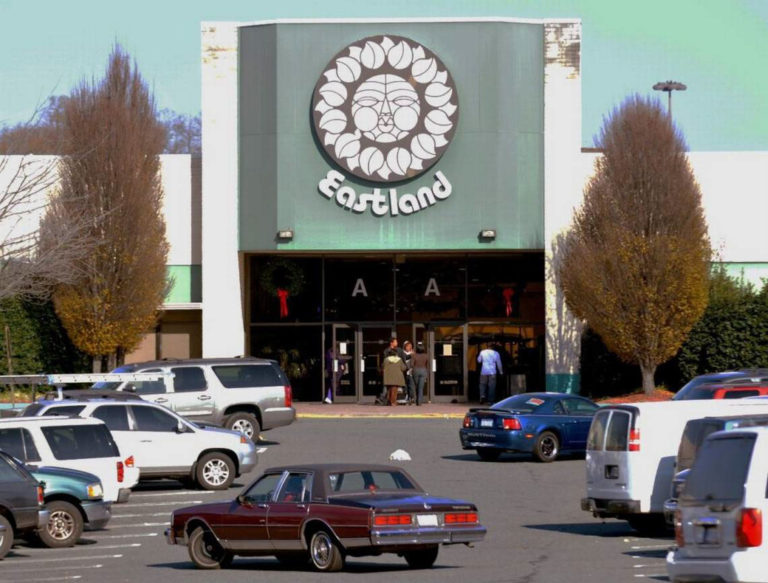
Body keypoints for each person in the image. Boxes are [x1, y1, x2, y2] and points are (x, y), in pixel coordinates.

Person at [402, 340, 415, 404]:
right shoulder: (403, 353)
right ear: (405, 347)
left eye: (410, 346)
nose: (409, 348)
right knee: (405, 385)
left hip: (411, 371)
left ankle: (411, 397)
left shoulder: (413, 353)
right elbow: (404, 359)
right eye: (408, 346)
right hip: (404, 371)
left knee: (411, 385)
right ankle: (406, 395)